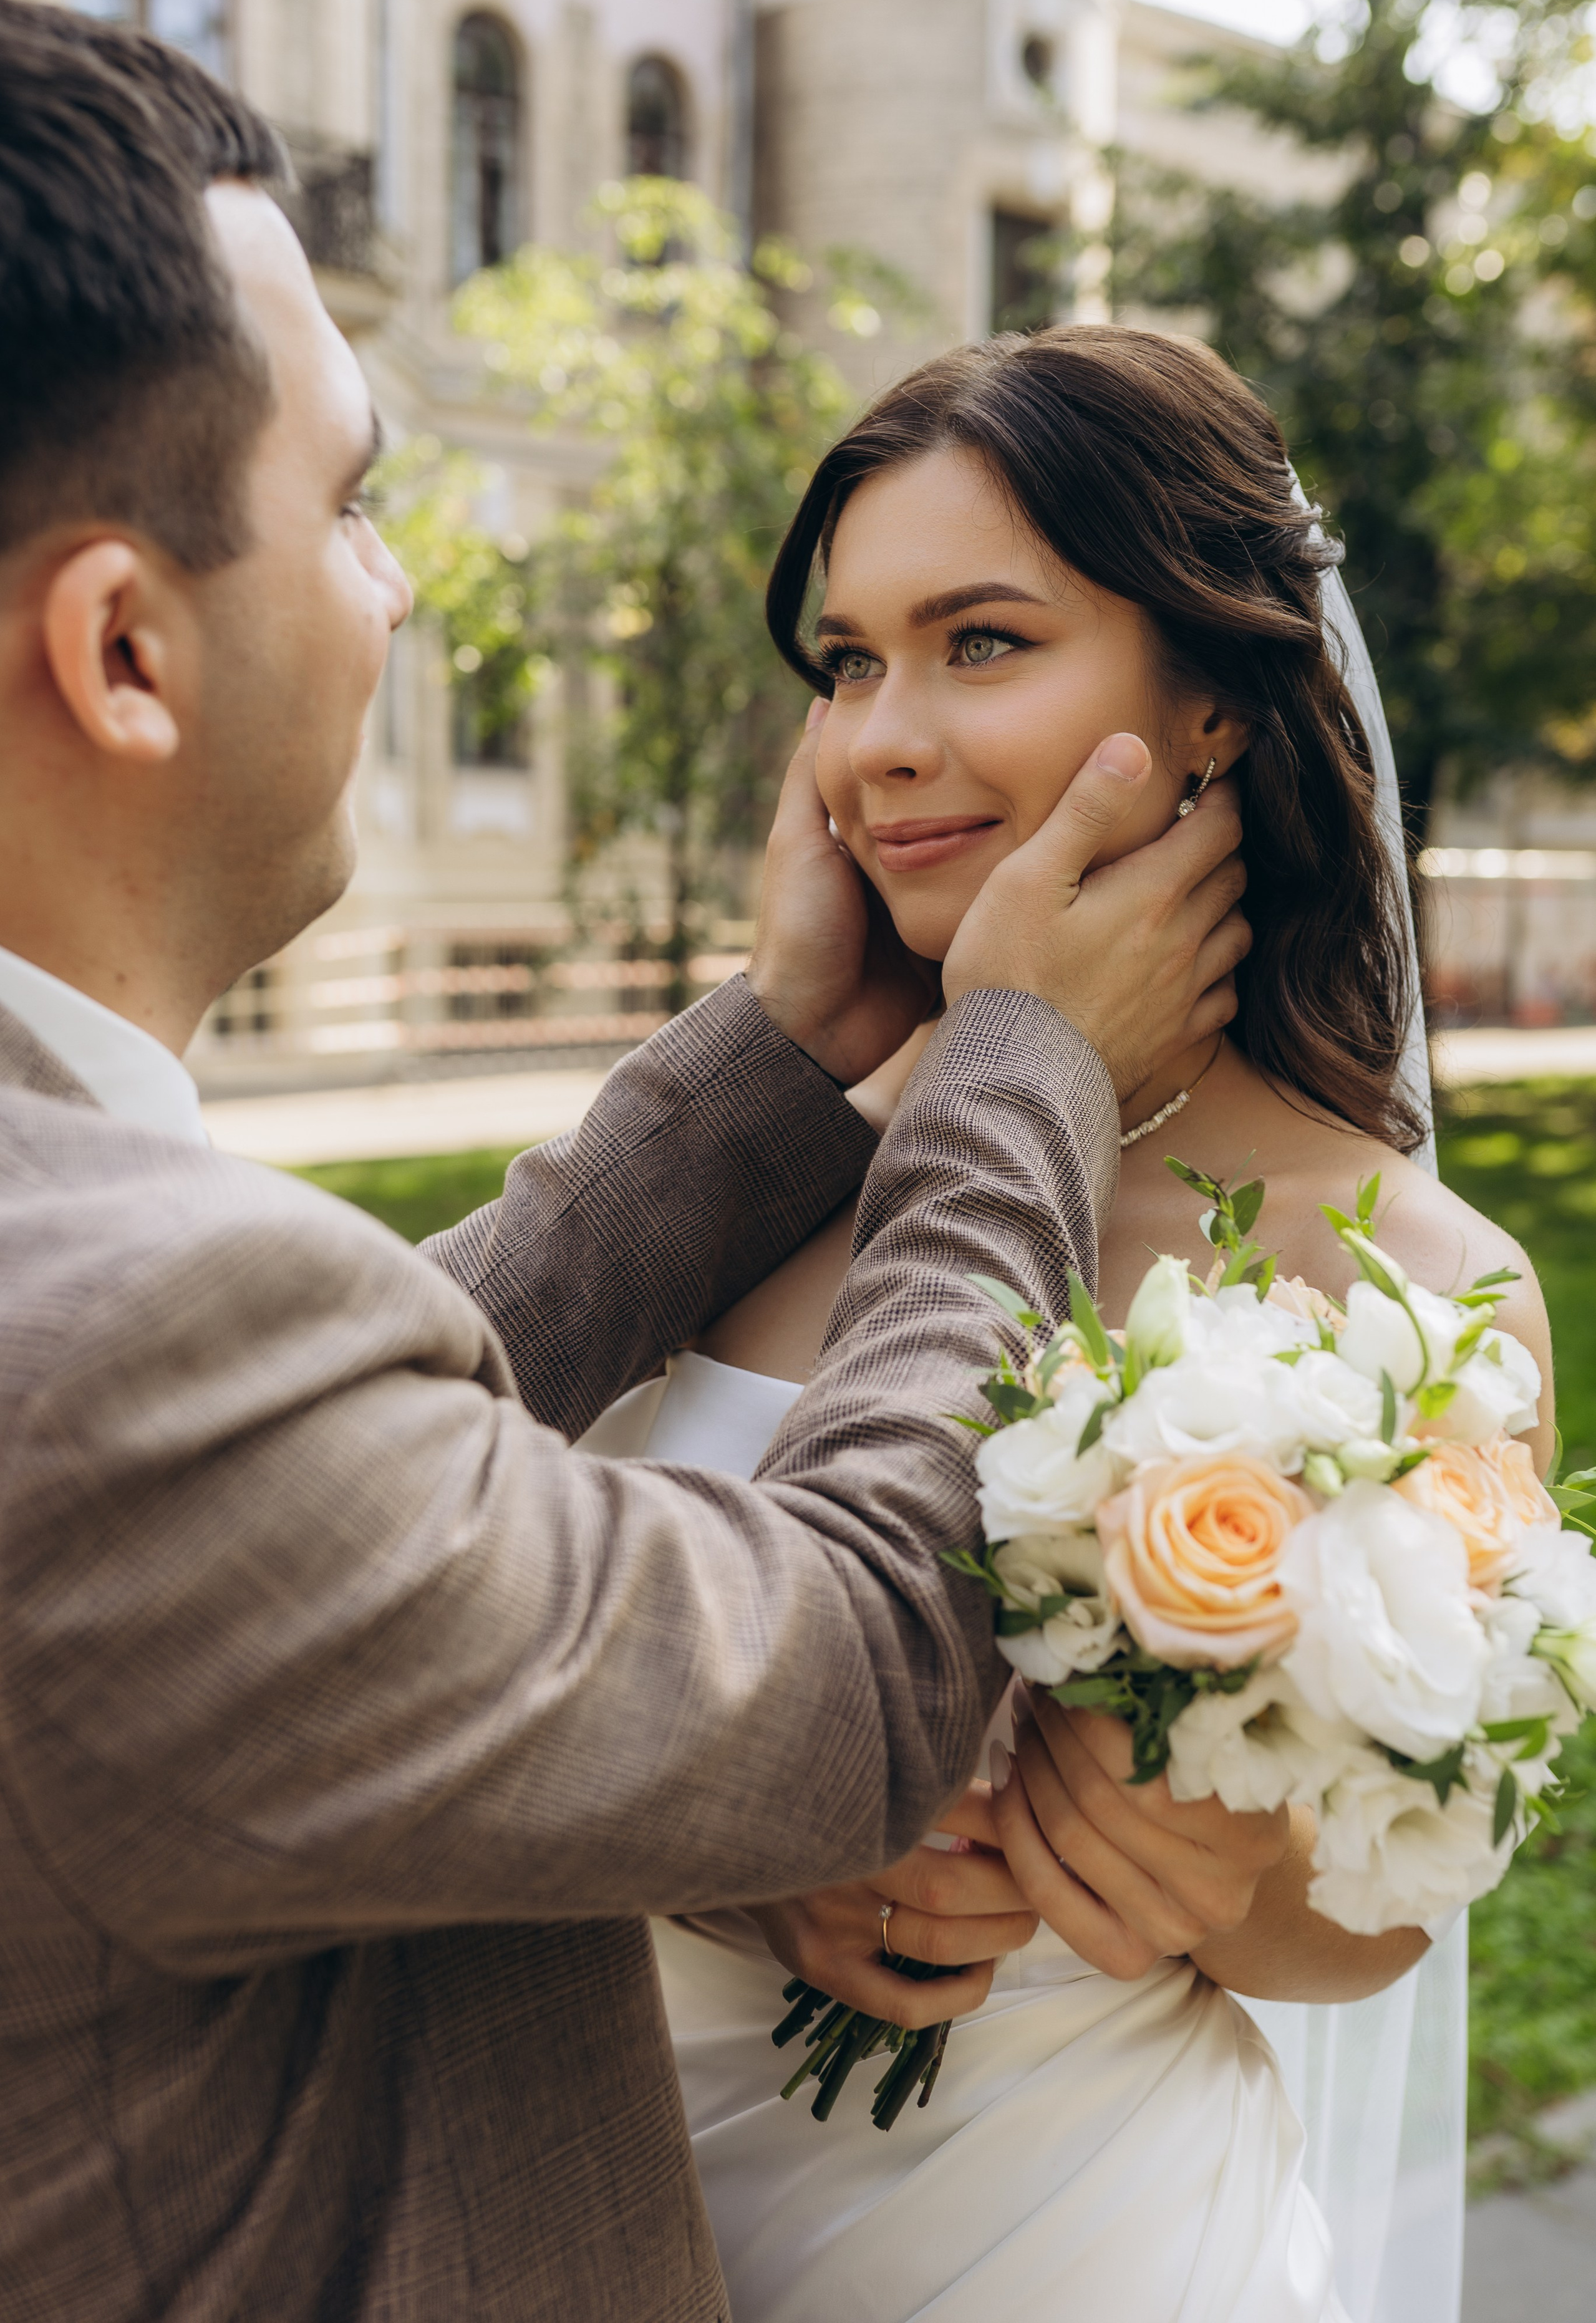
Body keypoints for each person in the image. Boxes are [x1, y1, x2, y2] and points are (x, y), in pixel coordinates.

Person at [0, 1, 1252, 2323]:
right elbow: (868, 1674)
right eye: (356, 505)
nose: (401, 596)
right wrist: (1013, 1067)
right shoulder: (104, 1340)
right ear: (124, 649)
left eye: (979, 641)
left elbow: (330, 1485)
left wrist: (785, 1060)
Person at [579, 327, 1555, 2322]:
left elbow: (1376, 1912)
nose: (880, 739)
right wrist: (710, 1826)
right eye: (848, 662)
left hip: (1076, 2248)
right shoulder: (730, 1174)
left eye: (984, 643)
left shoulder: (1418, 1285)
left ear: (1209, 702)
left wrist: (1228, 1885)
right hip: (593, 2215)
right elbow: (444, 1622)